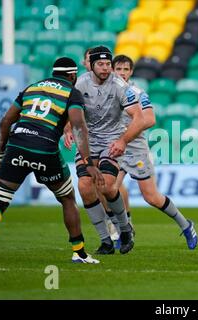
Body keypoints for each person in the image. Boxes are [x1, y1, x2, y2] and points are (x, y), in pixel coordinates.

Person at [0, 57, 104, 263]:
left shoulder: (32, 88)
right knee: (67, 198)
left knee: (0, 198)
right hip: (45, 148)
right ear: (72, 75)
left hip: (17, 145)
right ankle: (79, 253)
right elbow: (78, 125)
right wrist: (88, 163)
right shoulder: (72, 93)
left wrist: (0, 155)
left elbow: (6, 121)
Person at [112, 54, 198, 249]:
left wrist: (126, 134)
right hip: (115, 149)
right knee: (109, 190)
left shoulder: (137, 93)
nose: (122, 73)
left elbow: (150, 119)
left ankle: (186, 225)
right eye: (119, 69)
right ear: (112, 70)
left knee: (151, 197)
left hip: (135, 148)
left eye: (126, 69)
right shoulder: (107, 91)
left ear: (131, 72)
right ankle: (124, 231)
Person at [68, 46, 146, 255]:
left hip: (112, 140)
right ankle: (105, 240)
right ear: (91, 65)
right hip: (88, 141)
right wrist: (67, 129)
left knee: (107, 186)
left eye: (108, 64)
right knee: (85, 188)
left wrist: (123, 140)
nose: (105, 68)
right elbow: (71, 111)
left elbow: (139, 117)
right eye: (100, 64)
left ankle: (124, 227)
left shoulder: (120, 85)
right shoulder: (79, 83)